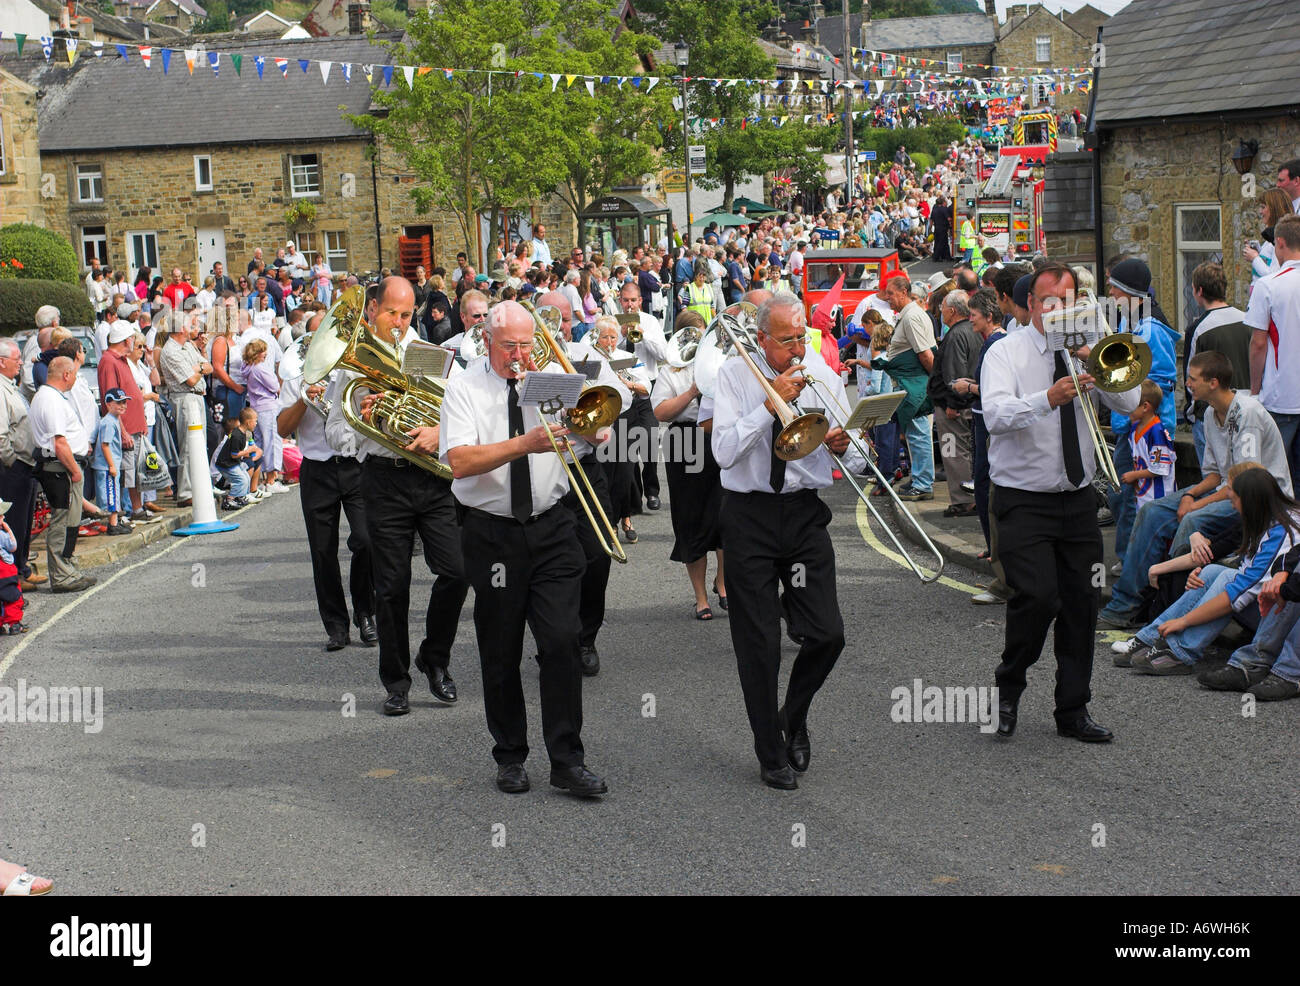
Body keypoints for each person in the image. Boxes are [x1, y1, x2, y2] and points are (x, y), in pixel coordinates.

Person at [439, 299, 608, 798]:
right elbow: (460, 462)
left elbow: (578, 446)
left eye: (526, 343)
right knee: (501, 648)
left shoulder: (551, 378)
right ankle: (510, 755)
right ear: (488, 341)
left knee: (560, 642)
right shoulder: (465, 386)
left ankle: (567, 760)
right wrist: (525, 443)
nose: (519, 354)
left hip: (552, 527)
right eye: (510, 344)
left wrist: (589, 432)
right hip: (492, 533)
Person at [981, 263, 1141, 743]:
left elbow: (1130, 404)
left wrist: (1099, 361)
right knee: (1037, 597)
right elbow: (994, 416)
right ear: (1031, 304)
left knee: (1081, 605)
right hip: (1022, 500)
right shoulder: (1005, 352)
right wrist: (1046, 398)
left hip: (1076, 500)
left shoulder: (1086, 343)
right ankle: (1009, 685)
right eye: (1051, 302)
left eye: (1069, 301)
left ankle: (1072, 709)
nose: (1061, 311)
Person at [712, 293, 851, 790]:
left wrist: (847, 445)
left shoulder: (822, 374)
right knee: (760, 643)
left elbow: (855, 460)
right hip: (748, 516)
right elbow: (724, 452)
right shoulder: (733, 375)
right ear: (762, 338)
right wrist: (770, 401)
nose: (798, 348)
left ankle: (792, 714)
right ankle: (769, 750)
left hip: (802, 514)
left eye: (803, 336)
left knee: (827, 633)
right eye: (788, 339)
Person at [326, 277, 468, 715]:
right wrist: (363, 419)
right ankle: (397, 681)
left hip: (432, 480)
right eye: (392, 313)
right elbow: (334, 433)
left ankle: (434, 658)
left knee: (458, 571)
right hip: (382, 481)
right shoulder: (351, 362)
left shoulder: (428, 354)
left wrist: (439, 433)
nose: (400, 323)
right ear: (372, 308)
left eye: (407, 315)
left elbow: (463, 411)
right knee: (391, 587)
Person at [1099, 351, 1292, 628]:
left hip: (1256, 500)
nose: (1187, 383)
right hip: (1228, 490)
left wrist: (1194, 505)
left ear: (1213, 382)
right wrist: (1189, 495)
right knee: (1153, 511)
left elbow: (1245, 483)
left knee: (1192, 520)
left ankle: (1172, 611)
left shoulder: (1246, 413)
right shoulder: (1212, 413)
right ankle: (1126, 604)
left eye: (1192, 378)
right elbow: (1215, 476)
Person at [1120, 468, 1300, 675]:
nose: (1231, 503)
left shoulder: (1283, 531)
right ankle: (1151, 638)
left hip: (1284, 618)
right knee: (1214, 571)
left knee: (1226, 578)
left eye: (1234, 498)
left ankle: (1180, 651)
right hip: (1273, 605)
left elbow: (1238, 593)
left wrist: (1184, 620)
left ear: (1250, 501)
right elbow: (1234, 566)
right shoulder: (1272, 518)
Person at [536, 291, 629, 676]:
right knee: (546, 565)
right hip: (540, 469)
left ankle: (585, 637)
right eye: (550, 317)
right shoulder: (525, 361)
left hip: (584, 467)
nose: (559, 325)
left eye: (565, 318)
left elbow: (617, 394)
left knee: (597, 554)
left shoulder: (584, 356)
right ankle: (553, 640)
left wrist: (597, 419)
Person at [278, 311, 376, 652]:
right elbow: (282, 428)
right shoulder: (296, 372)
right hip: (317, 469)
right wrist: (304, 399)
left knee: (366, 540)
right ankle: (336, 625)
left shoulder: (352, 367)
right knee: (322, 551)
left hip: (355, 465)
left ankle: (366, 612)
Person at [653, 310, 725, 619]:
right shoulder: (671, 370)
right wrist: (693, 389)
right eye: (691, 335)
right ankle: (700, 598)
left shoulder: (720, 363)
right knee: (690, 518)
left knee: (724, 514)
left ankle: (723, 583)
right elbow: (661, 412)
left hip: (718, 436)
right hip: (684, 441)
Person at [29, 357, 96, 593]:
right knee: (63, 522)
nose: (76, 377)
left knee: (70, 521)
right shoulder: (50, 399)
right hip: (61, 468)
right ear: (66, 374)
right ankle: (61, 575)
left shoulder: (49, 396)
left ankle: (67, 568)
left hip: (62, 466)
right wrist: (76, 471)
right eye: (75, 373)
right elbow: (59, 442)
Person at [1245, 213, 1300, 493]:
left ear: (1279, 243)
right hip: (1285, 398)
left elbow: (1258, 343)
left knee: (1276, 481)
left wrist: (1255, 391)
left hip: (1282, 398)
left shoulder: (1269, 285)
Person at [878, 274, 936, 501]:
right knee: (914, 434)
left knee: (919, 434)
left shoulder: (911, 317)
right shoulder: (909, 315)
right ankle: (920, 478)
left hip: (915, 385)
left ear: (904, 292)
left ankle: (923, 484)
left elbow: (925, 354)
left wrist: (933, 383)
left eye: (891, 294)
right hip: (912, 383)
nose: (887, 298)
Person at [928, 290, 980, 517]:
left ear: (952, 310)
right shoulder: (972, 331)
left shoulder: (956, 334)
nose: (940, 312)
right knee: (965, 451)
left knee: (952, 452)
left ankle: (962, 500)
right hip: (969, 403)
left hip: (954, 408)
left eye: (943, 308)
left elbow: (954, 372)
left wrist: (952, 403)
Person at [158, 313, 212, 508]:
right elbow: (190, 379)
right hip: (184, 398)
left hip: (197, 396)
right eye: (191, 325)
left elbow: (209, 366)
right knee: (188, 446)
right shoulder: (170, 351)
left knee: (200, 444)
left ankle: (199, 486)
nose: (194, 329)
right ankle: (185, 492)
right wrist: (199, 369)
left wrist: (197, 368)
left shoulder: (188, 345)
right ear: (182, 328)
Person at [0, 338, 42, 592]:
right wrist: (12, 461)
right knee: (14, 521)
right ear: (2, 362)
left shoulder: (10, 386)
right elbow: (1, 435)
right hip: (12, 467)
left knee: (24, 520)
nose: (21, 363)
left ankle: (22, 568)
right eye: (17, 359)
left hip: (25, 462)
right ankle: (15, 573)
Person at [1121, 380, 1177, 512]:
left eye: (1131, 405)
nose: (1127, 409)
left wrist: (1134, 475)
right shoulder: (1134, 428)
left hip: (1159, 501)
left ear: (1145, 406)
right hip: (1143, 497)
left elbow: (1159, 468)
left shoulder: (1157, 432)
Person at [92, 388, 131, 535]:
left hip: (110, 464)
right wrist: (111, 465)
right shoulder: (108, 422)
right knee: (111, 494)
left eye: (124, 402)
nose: (123, 405)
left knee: (113, 491)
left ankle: (115, 522)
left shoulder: (112, 420)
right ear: (108, 404)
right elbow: (105, 445)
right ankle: (113, 524)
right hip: (107, 466)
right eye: (119, 402)